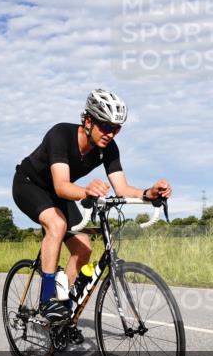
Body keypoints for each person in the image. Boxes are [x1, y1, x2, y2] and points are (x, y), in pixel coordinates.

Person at [12, 89, 171, 323]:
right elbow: (61, 186)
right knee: (56, 224)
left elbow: (123, 189)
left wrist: (149, 193)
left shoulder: (108, 148)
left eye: (116, 129)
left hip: (62, 192)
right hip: (29, 185)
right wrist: (86, 190)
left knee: (84, 249)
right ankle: (48, 301)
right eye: (105, 126)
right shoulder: (60, 135)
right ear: (88, 121)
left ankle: (63, 315)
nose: (111, 134)